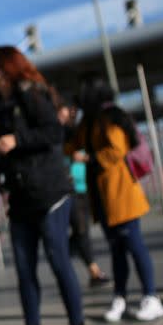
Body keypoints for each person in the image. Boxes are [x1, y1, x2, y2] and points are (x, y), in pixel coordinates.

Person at [0, 46, 88, 325]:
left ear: (9, 67)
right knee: (24, 271)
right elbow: (2, 143)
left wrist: (17, 140)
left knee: (60, 263)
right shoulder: (1, 105)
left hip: (49, 192)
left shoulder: (31, 93)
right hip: (21, 196)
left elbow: (53, 132)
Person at [69, 83, 163, 322]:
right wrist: (66, 124)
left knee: (134, 244)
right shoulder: (88, 122)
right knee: (117, 250)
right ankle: (120, 298)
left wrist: (89, 158)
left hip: (122, 194)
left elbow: (116, 150)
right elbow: (71, 145)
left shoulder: (111, 117)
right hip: (103, 198)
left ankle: (151, 297)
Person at [57, 105, 109, 288]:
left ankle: (61, 256)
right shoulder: (55, 133)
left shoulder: (80, 131)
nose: (68, 113)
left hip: (85, 187)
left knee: (80, 232)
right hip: (71, 190)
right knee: (81, 231)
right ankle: (94, 272)